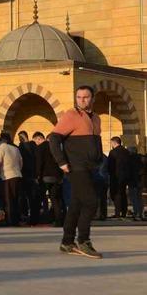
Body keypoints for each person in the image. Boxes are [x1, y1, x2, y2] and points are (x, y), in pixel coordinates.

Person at [49, 85, 104, 259]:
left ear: (92, 98)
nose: (82, 100)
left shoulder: (96, 118)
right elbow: (54, 138)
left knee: (76, 205)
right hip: (76, 167)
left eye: (86, 97)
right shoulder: (71, 115)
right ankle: (83, 240)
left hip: (91, 168)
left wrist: (99, 161)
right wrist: (61, 162)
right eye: (79, 97)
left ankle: (67, 242)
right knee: (91, 202)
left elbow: (96, 142)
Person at [35, 132, 65, 226]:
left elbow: (39, 163)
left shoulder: (40, 148)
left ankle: (41, 217)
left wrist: (37, 175)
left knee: (41, 197)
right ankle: (59, 220)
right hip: (57, 176)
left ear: (39, 139)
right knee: (56, 199)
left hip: (45, 176)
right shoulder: (56, 148)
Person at [0, 132, 23, 226]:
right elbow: (21, 163)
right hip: (17, 175)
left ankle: (10, 220)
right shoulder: (15, 148)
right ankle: (16, 219)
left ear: (1, 140)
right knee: (16, 198)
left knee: (8, 199)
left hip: (7, 176)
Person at [17, 131, 39, 225]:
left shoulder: (28, 146)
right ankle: (30, 216)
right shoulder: (25, 146)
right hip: (29, 175)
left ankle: (30, 217)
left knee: (30, 197)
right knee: (29, 197)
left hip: (28, 175)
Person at [107, 136, 131, 219]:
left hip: (115, 176)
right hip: (125, 176)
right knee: (123, 194)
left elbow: (110, 165)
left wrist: (109, 173)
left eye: (111, 143)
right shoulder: (126, 151)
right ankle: (123, 212)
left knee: (115, 194)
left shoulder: (113, 152)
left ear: (114, 143)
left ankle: (117, 213)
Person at [127, 147, 143, 221]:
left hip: (133, 181)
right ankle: (140, 213)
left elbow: (130, 172)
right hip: (140, 181)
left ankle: (136, 213)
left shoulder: (130, 159)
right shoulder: (141, 158)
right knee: (139, 198)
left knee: (134, 198)